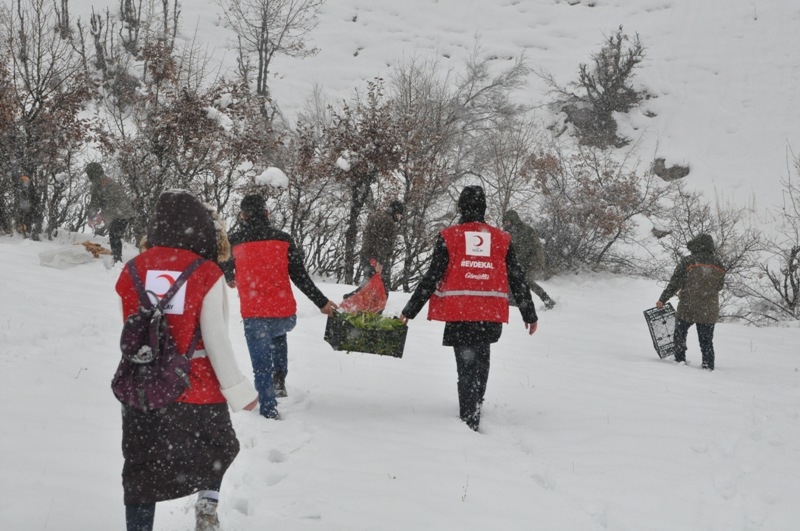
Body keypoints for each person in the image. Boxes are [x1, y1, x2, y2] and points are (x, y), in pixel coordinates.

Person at [115, 189, 259, 531]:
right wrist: (240, 392)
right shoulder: (206, 273)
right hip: (198, 387)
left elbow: (133, 334)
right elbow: (216, 341)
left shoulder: (131, 270)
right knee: (215, 448)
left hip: (145, 388)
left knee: (141, 469)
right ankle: (207, 508)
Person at [400, 186, 538, 432]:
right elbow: (516, 276)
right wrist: (529, 313)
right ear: (484, 208)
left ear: (461, 208)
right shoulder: (501, 239)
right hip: (488, 313)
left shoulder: (449, 236)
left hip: (460, 312)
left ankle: (469, 415)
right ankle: (476, 404)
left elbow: (432, 277)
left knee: (465, 364)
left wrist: (410, 310)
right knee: (482, 359)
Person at [223, 194, 337, 419]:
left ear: (243, 216)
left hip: (254, 313)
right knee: (277, 334)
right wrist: (321, 302)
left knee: (260, 364)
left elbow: (223, 262)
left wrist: (229, 275)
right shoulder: (284, 240)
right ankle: (279, 378)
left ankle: (268, 409)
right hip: (284, 313)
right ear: (267, 214)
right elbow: (300, 276)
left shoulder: (233, 241)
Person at [656, 233, 726, 371]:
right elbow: (719, 286)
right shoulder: (718, 264)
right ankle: (708, 366)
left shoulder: (688, 261)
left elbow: (675, 283)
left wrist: (662, 299)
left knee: (680, 334)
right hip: (709, 309)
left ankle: (679, 360)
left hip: (688, 306)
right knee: (706, 341)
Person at [349, 199, 404, 298]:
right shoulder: (389, 223)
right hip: (376, 258)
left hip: (366, 255)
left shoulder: (376, 216)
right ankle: (358, 304)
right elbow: (384, 244)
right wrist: (381, 262)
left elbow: (368, 236)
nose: (400, 218)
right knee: (382, 288)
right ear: (396, 213)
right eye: (401, 215)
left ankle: (354, 301)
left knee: (368, 283)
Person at [502, 210, 556, 309]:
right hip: (513, 263)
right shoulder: (506, 233)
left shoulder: (527, 230)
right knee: (510, 281)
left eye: (508, 221)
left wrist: (539, 263)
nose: (506, 224)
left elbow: (537, 247)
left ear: (514, 220)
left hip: (528, 262)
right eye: (504, 222)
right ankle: (512, 302)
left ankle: (546, 299)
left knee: (527, 281)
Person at [86, 162, 135, 263]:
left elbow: (116, 203)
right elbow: (94, 203)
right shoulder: (96, 186)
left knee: (114, 235)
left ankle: (117, 260)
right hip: (114, 214)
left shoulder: (111, 186)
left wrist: (102, 215)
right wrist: (91, 217)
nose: (92, 179)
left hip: (123, 214)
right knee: (113, 235)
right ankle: (115, 257)